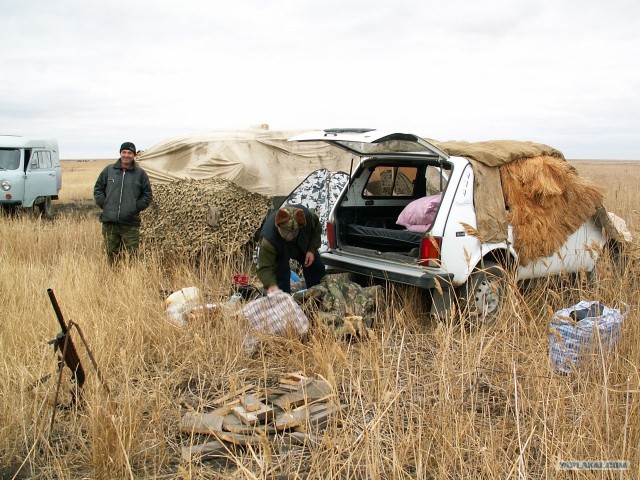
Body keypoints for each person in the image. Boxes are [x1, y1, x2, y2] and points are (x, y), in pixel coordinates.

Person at [93, 141, 153, 262]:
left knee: (133, 255)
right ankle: (114, 278)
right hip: (110, 222)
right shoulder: (109, 170)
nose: (126, 155)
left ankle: (131, 278)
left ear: (134, 155)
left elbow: (147, 194)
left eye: (130, 153)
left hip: (130, 222)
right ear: (120, 153)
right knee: (111, 254)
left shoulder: (140, 173)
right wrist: (105, 204)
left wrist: (135, 208)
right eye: (124, 152)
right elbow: (98, 189)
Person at [257, 204, 326, 294]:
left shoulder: (308, 218)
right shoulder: (269, 240)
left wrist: (311, 249)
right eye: (285, 233)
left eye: (292, 233)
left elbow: (316, 229)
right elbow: (265, 267)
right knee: (281, 280)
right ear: (278, 226)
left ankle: (317, 298)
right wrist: (271, 284)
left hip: (302, 245)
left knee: (316, 268)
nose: (289, 237)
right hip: (280, 250)